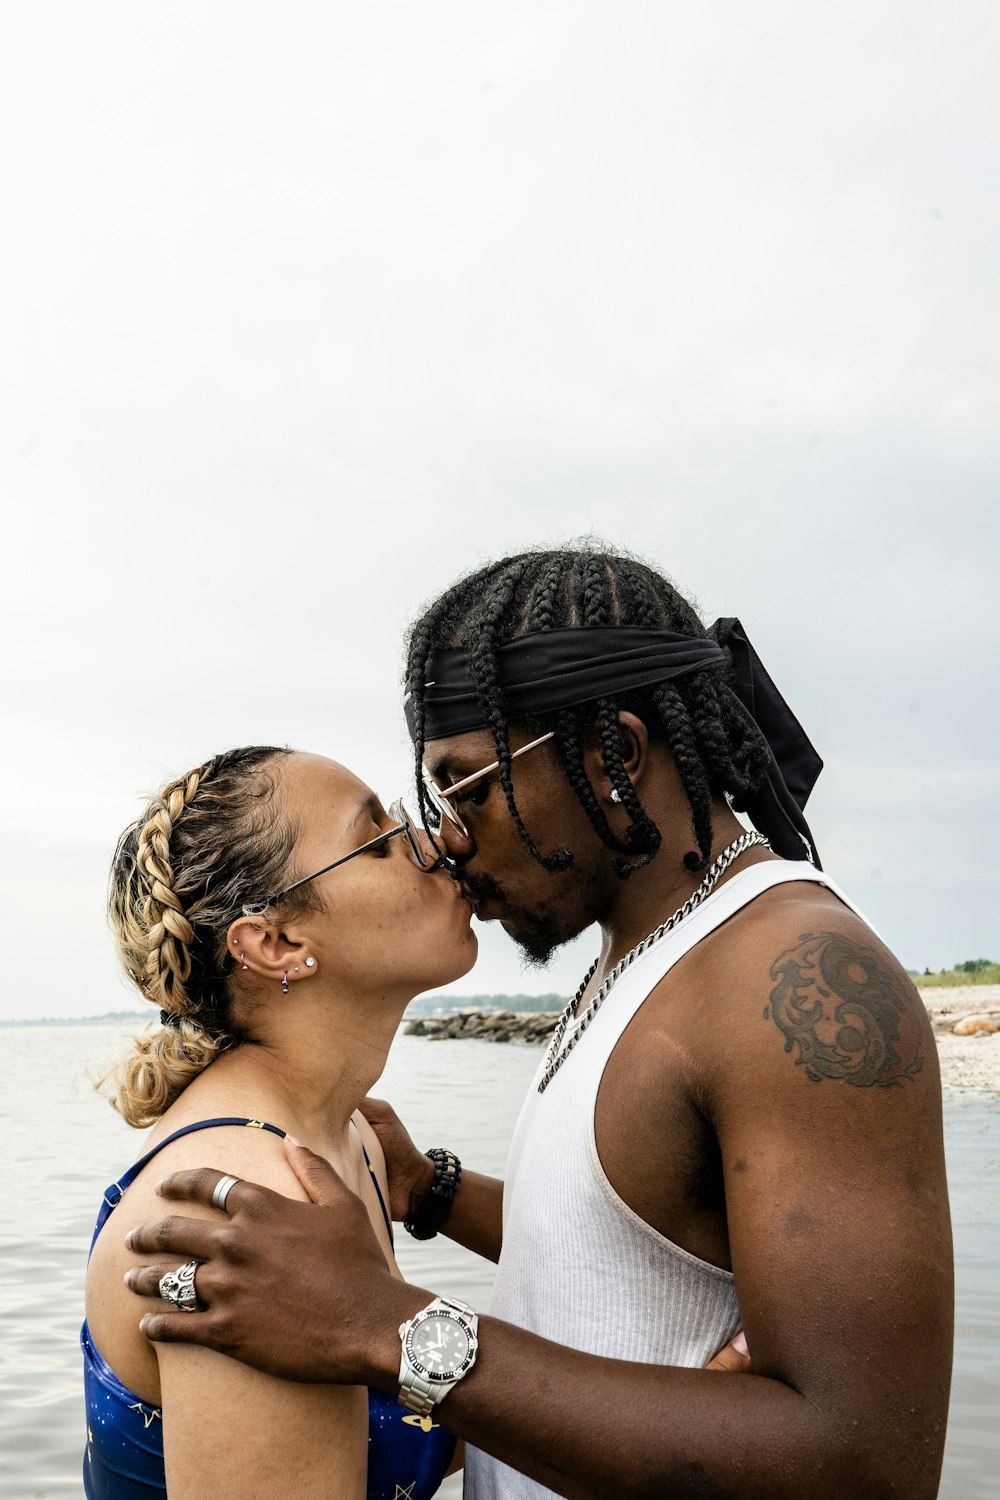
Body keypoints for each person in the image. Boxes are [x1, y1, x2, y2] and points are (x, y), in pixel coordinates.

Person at [123, 548, 954, 1500]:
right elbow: (621, 1247)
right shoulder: (643, 953)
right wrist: (436, 1193)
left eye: (467, 787)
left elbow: (866, 1463)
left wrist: (386, 1329)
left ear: (614, 757)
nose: (446, 839)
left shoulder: (793, 979)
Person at [83, 745, 477, 1499]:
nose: (436, 843)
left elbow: (385, 1429)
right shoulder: (239, 1201)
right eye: (382, 839)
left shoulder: (346, 1136)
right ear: (276, 944)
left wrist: (640, 1400)